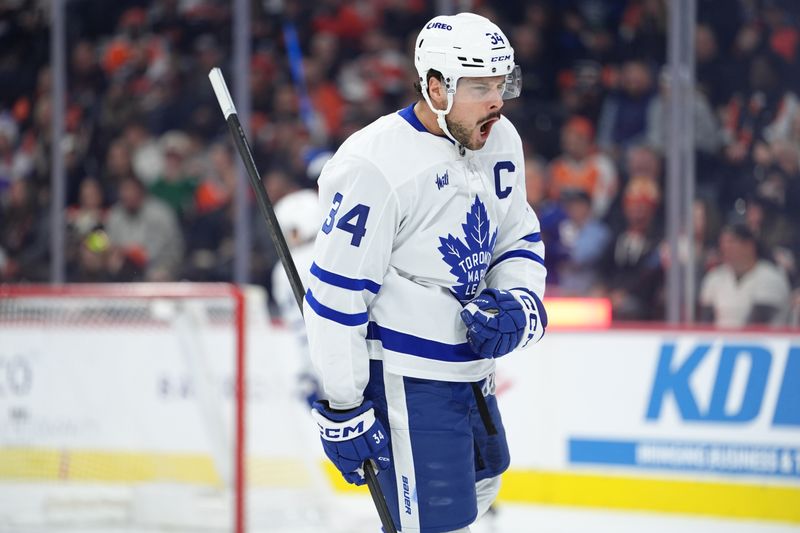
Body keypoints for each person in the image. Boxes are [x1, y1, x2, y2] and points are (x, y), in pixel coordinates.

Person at [303, 13, 547, 533]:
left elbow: (516, 235)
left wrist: (521, 302)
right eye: (480, 86)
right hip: (407, 382)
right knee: (437, 526)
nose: (497, 101)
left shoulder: (501, 141)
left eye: (501, 84)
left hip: (474, 374)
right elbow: (335, 294)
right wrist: (344, 404)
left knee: (483, 492)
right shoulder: (375, 164)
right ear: (435, 87)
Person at [699, 223, 791, 328]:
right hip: (719, 341)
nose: (725, 247)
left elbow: (757, 325)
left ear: (749, 245)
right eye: (722, 243)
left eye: (731, 242)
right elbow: (705, 322)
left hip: (760, 342)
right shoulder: (714, 277)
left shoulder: (770, 277)